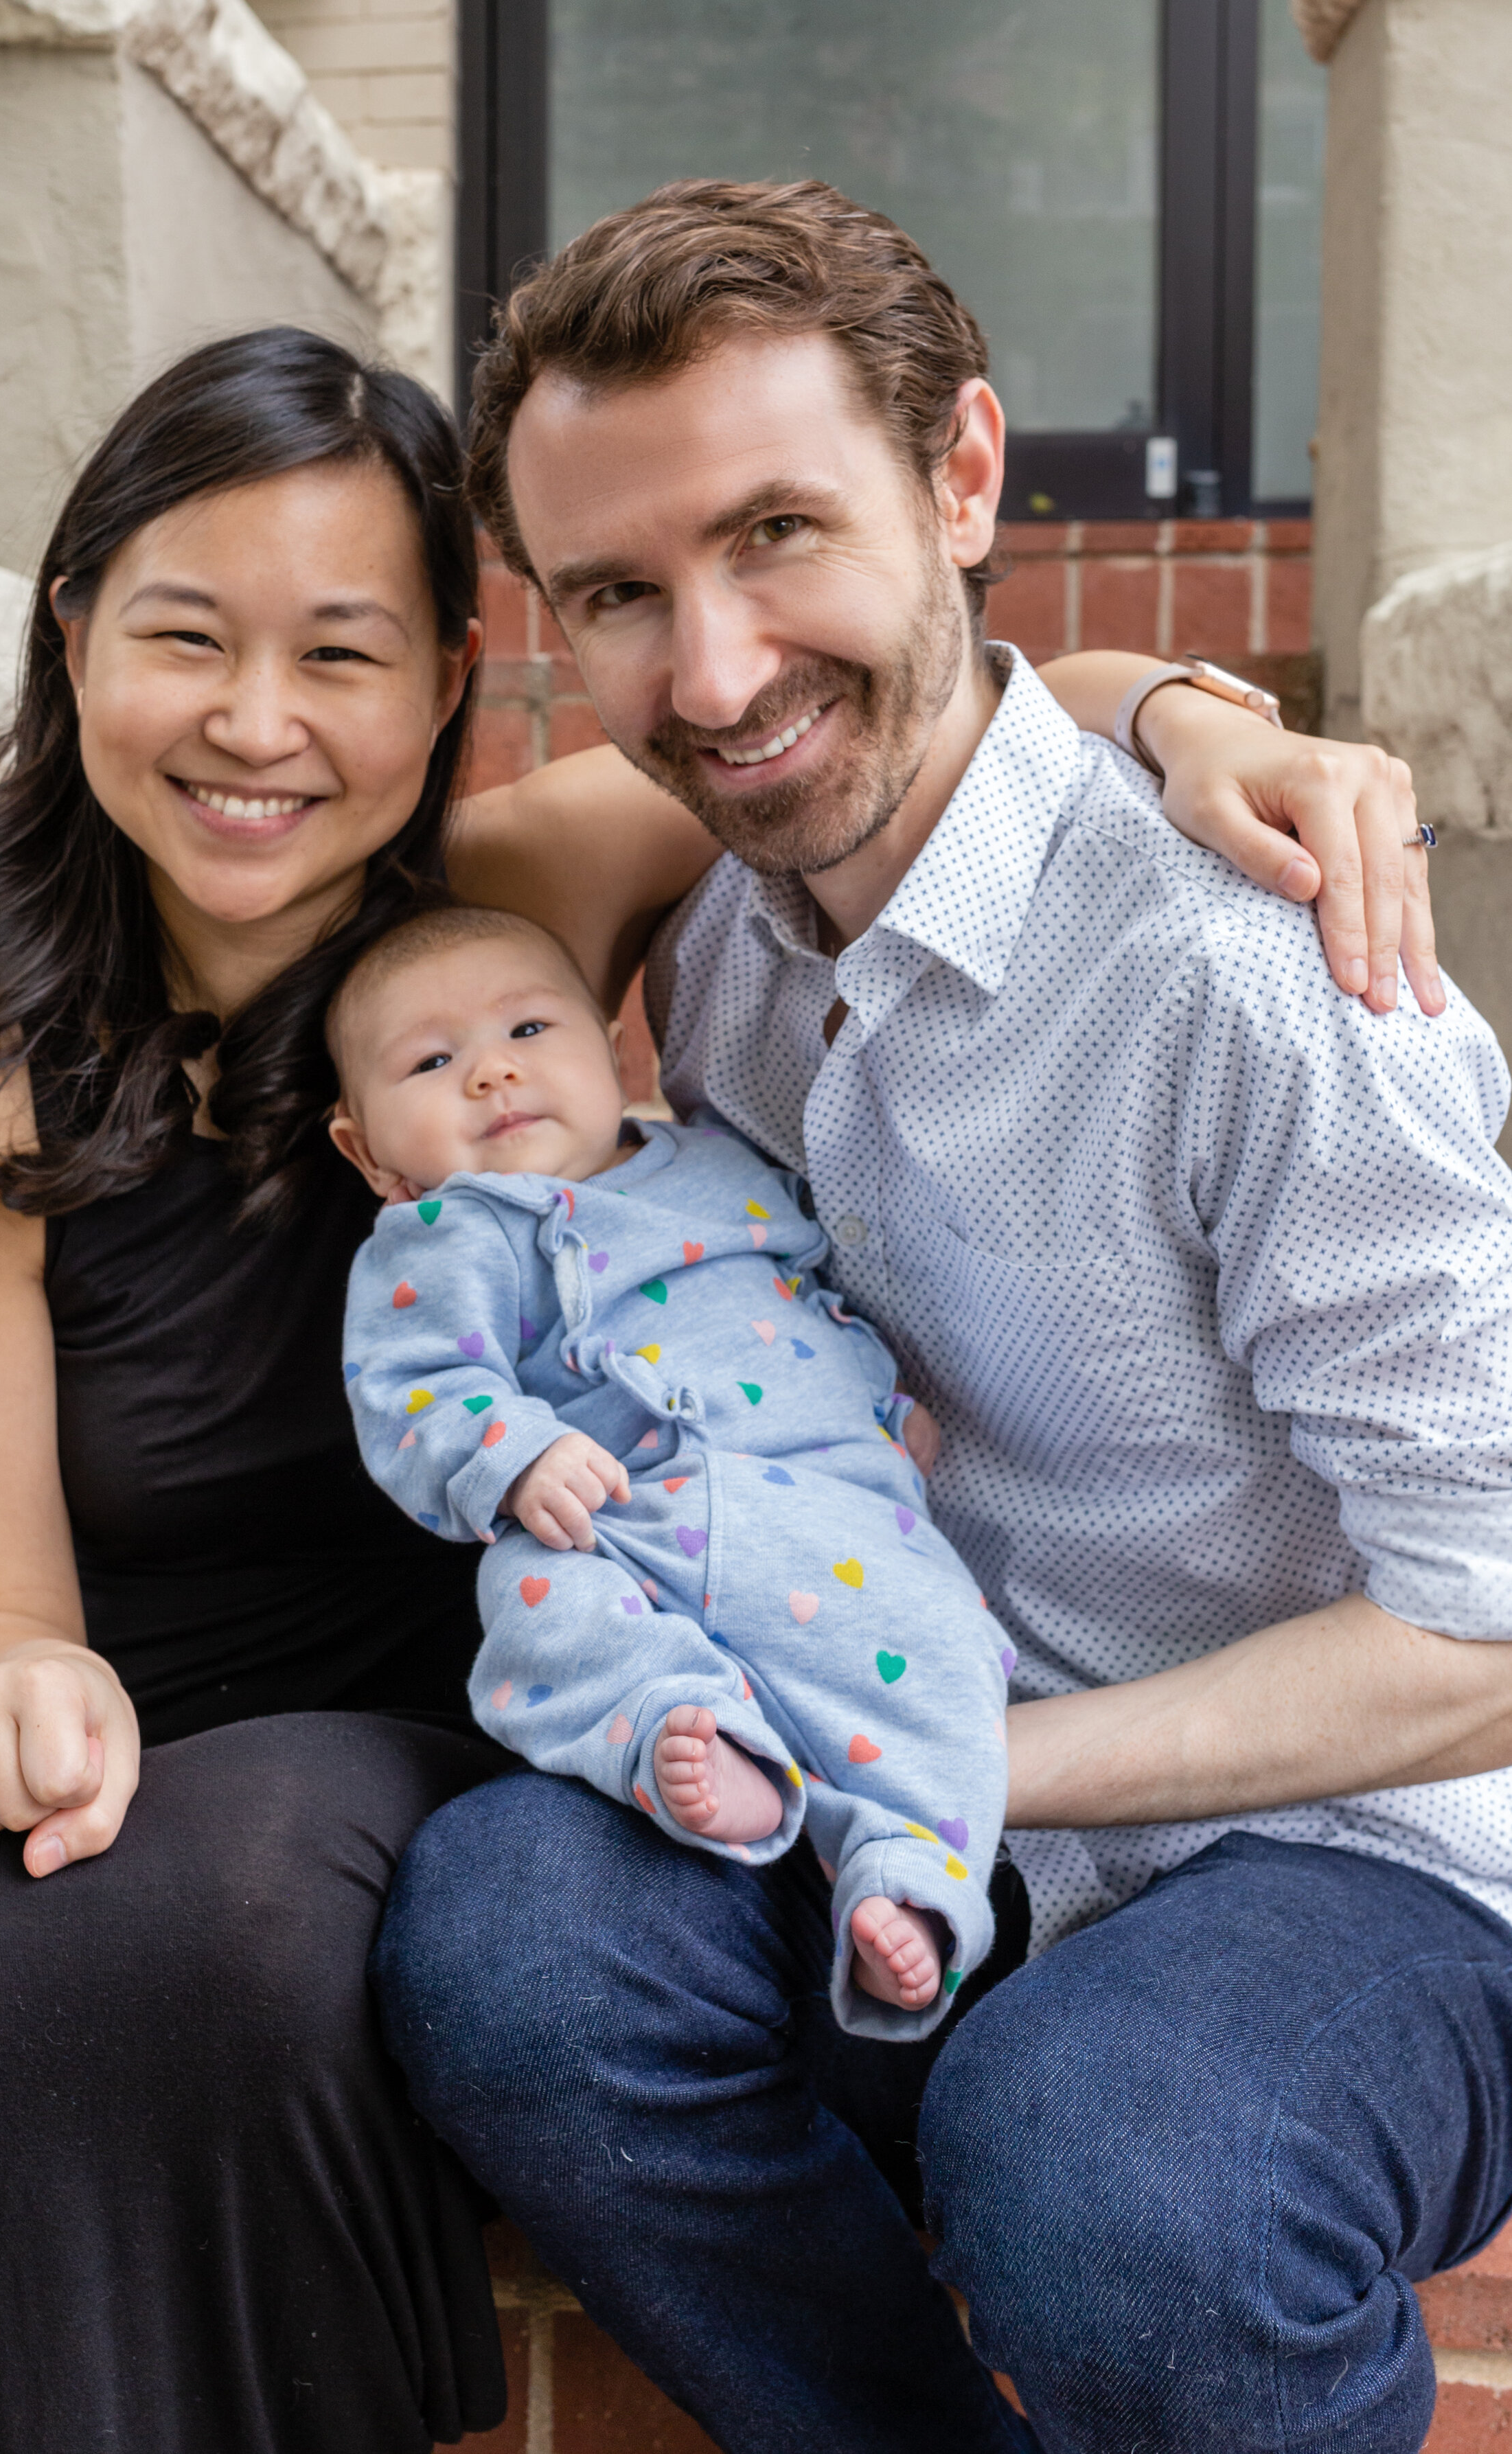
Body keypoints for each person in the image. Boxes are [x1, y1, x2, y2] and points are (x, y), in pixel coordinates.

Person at [0, 303, 1436, 2451]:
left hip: (523, 1688)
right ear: (75, 636)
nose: (256, 726)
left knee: (203, 1920)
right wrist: (11, 1679)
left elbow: (941, 723)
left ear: (451, 685)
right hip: (155, 1718)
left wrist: (1189, 712)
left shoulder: (518, 893)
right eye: (184, 636)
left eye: (346, 652)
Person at [371, 180, 1512, 2454]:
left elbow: (1494, 1631)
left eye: (779, 531)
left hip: (1379, 1860)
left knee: (1113, 2166)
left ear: (967, 477)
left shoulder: (1255, 965)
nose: (710, 675)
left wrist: (936, 1772)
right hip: (914, 1781)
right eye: (616, 594)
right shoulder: (716, 948)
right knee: (505, 1941)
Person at [330, 902, 1009, 2031]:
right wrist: (512, 1450)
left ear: (614, 1048)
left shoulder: (720, 1164)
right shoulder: (456, 1229)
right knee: (538, 1603)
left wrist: (885, 1400)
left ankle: (909, 1872)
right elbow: (410, 1389)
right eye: (434, 1061)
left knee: (947, 1649)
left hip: (832, 1509)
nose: (493, 1073)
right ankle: (681, 1728)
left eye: (531, 1031)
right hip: (630, 1523)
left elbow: (809, 1296)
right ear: (366, 1148)